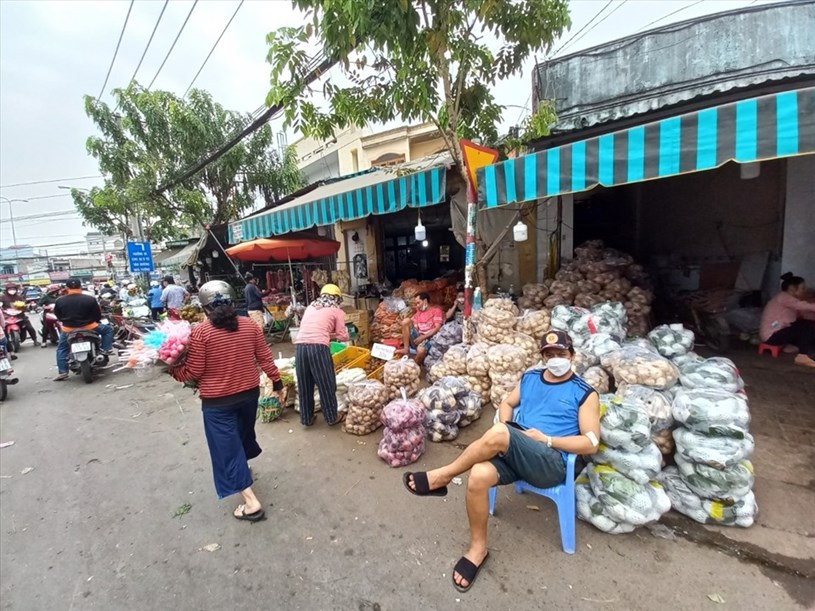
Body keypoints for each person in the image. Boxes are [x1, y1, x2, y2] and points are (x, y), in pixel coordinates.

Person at [403, 330, 600, 592]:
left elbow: (591, 443)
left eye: (561, 354)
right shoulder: (530, 378)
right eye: (549, 354)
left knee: (498, 433)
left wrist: (547, 440)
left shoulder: (584, 393)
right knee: (479, 475)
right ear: (542, 356)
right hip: (518, 451)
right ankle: (477, 549)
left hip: (551, 462)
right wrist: (508, 429)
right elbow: (507, 402)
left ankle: (443, 476)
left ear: (572, 356)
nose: (555, 359)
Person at [170, 280, 284, 522]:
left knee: (226, 450)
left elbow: (194, 371)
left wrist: (173, 370)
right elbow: (265, 358)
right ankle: (242, 471)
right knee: (241, 437)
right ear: (233, 302)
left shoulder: (201, 332)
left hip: (218, 403)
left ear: (205, 308)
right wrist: (277, 383)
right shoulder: (250, 326)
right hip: (249, 395)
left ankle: (251, 503)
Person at [293, 284, 349, 427]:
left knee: (305, 384)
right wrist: (335, 334)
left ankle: (307, 418)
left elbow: (310, 328)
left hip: (300, 347)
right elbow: (343, 337)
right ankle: (331, 417)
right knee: (326, 383)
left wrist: (327, 333)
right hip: (318, 348)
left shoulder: (311, 307)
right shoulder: (337, 311)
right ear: (337, 298)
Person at [53, 278, 114, 381]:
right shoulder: (89, 299)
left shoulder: (60, 300)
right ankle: (106, 350)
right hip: (89, 327)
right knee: (108, 330)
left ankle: (63, 372)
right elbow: (97, 315)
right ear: (80, 286)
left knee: (62, 349)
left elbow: (58, 315)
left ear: (67, 288)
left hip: (69, 329)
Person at [760, 272, 815, 368]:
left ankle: (806, 351)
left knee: (807, 324)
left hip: (781, 331)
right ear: (792, 289)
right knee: (807, 326)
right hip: (772, 335)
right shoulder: (784, 297)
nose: (805, 291)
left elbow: (802, 313)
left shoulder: (789, 300)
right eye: (802, 288)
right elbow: (802, 306)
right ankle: (802, 356)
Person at [400, 292, 443, 365]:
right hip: (418, 338)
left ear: (425, 301)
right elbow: (414, 327)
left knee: (420, 351)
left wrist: (423, 337)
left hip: (430, 338)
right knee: (405, 321)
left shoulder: (436, 311)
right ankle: (406, 349)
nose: (417, 305)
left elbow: (437, 328)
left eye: (418, 303)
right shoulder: (418, 313)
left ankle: (414, 367)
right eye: (416, 304)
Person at [1, 283, 40, 347]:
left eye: (13, 289)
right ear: (7, 290)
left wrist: (23, 309)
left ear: (16, 290)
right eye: (10, 289)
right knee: (2, 329)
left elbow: (24, 306)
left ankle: (35, 340)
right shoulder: (2, 297)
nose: (12, 290)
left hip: (19, 316)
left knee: (29, 327)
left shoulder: (19, 297)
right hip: (6, 317)